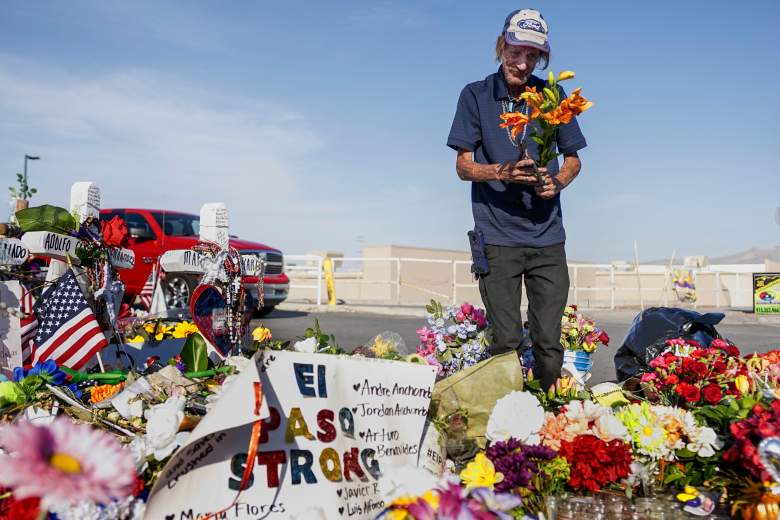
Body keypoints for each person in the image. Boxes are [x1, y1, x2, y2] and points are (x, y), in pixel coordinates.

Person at [446, 8, 587, 390]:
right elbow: (463, 166)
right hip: (497, 240)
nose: (522, 63)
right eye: (515, 52)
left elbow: (573, 160)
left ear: (541, 58)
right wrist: (502, 171)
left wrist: (556, 182)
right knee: (506, 341)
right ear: (500, 46)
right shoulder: (475, 95)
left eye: (532, 56)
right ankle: (505, 421)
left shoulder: (552, 96)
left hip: (547, 239)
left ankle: (544, 417)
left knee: (548, 342)